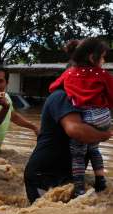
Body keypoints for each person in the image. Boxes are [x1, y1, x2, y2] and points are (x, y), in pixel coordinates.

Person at [49, 38, 113, 197]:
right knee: (94, 148)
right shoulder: (102, 74)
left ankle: (79, 188)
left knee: (78, 154)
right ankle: (100, 180)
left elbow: (52, 87)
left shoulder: (70, 72)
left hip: (86, 117)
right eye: (103, 57)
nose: (104, 61)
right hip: (104, 117)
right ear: (92, 58)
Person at [24, 89, 112, 204]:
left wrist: (99, 180)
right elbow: (75, 130)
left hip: (67, 176)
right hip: (44, 176)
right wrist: (104, 135)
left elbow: (92, 147)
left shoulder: (88, 103)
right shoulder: (62, 96)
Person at [0, 66, 39, 154]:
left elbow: (13, 117)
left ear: (7, 83)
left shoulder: (6, 97)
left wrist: (34, 127)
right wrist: (5, 108)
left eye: (1, 81)